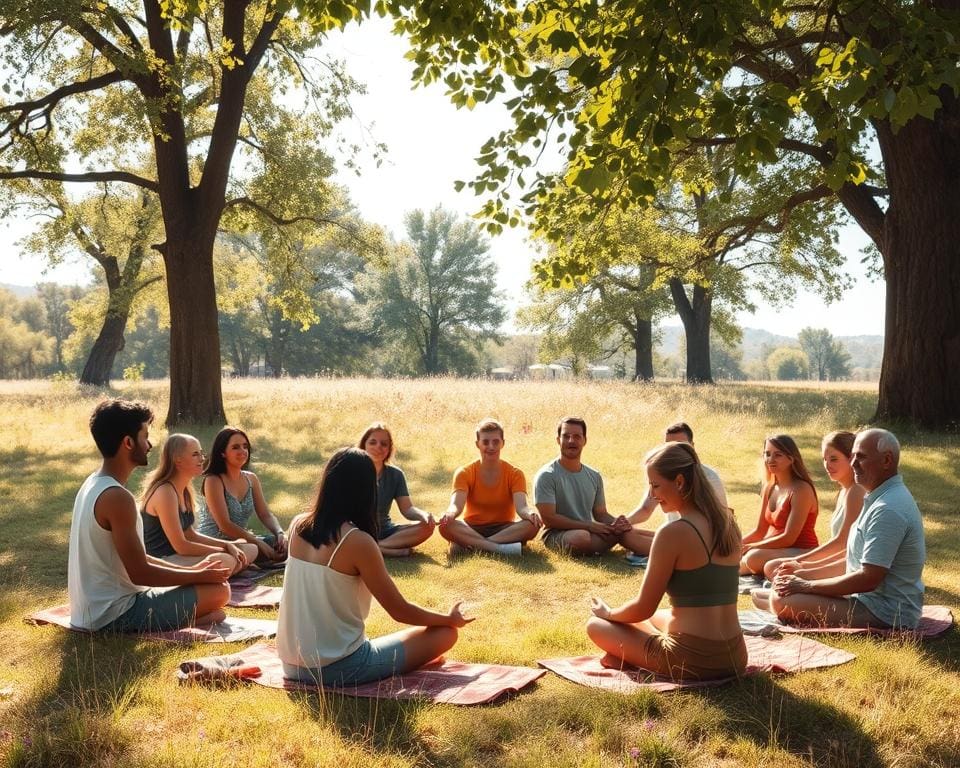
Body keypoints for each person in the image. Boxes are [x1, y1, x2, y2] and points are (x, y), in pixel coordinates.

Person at [278, 448, 472, 685]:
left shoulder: (297, 524)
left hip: (290, 665)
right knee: (445, 634)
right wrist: (449, 619)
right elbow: (399, 610)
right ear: (367, 490)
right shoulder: (357, 541)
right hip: (338, 668)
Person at [586, 442, 747, 681]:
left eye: (656, 485)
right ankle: (631, 650)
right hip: (735, 657)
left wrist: (608, 613)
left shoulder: (673, 533)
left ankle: (627, 653)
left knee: (595, 625)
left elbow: (643, 607)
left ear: (680, 482)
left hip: (691, 662)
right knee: (658, 617)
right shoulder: (729, 523)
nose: (652, 494)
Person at [68, 399, 231, 632]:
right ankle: (183, 619)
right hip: (114, 615)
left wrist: (197, 572)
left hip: (92, 612)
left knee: (213, 593)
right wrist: (198, 576)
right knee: (220, 591)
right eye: (145, 436)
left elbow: (139, 559)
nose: (150, 444)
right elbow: (140, 572)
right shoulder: (116, 497)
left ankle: (190, 617)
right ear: (127, 442)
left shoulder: (92, 484)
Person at [769, 429, 925, 629]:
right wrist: (803, 574)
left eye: (861, 457)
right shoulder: (878, 497)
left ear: (886, 461)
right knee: (781, 593)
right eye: (852, 456)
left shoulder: (888, 509)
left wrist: (806, 585)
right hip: (871, 601)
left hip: (886, 612)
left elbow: (868, 579)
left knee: (781, 602)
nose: (853, 464)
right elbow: (855, 562)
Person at [140, 434, 258, 575]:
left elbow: (191, 535)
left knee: (251, 548)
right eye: (195, 454)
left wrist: (228, 545)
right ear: (178, 460)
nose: (202, 459)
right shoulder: (165, 492)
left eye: (201, 453)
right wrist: (225, 549)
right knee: (223, 559)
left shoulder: (184, 490)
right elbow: (181, 546)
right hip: (166, 561)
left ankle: (227, 569)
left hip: (183, 557)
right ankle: (224, 570)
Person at [534, 416, 650, 555]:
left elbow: (601, 514)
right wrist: (588, 525)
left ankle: (666, 550)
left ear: (584, 441)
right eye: (566, 436)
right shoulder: (547, 475)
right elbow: (549, 519)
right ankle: (595, 548)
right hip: (559, 535)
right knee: (581, 537)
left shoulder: (594, 476)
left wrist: (616, 523)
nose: (571, 441)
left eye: (577, 436)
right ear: (558, 440)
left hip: (589, 532)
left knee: (624, 531)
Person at [761, 431, 865, 583]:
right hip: (837, 559)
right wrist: (803, 563)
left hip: (848, 565)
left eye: (834, 459)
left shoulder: (856, 491)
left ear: (851, 458)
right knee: (772, 569)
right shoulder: (844, 491)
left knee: (775, 573)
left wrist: (801, 562)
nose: (827, 465)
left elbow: (843, 542)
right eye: (825, 459)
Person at [438, 418, 541, 555]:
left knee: (532, 524)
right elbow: (456, 505)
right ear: (477, 444)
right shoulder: (464, 472)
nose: (491, 447)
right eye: (485, 442)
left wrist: (530, 513)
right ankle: (499, 548)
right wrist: (449, 514)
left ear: (502, 444)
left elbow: (522, 507)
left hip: (504, 528)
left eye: (496, 442)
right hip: (472, 527)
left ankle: (473, 545)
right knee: (445, 526)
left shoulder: (515, 474)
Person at [625, 422, 730, 557]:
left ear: (692, 447)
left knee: (635, 537)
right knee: (627, 533)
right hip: (677, 534)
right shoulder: (662, 475)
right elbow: (646, 508)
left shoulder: (710, 477)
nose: (674, 452)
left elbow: (721, 519)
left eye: (679, 446)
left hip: (696, 540)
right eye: (668, 447)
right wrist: (624, 523)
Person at [196, 427, 287, 563]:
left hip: (242, 541)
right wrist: (257, 543)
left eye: (245, 446)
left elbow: (265, 514)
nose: (243, 451)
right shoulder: (213, 480)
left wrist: (280, 533)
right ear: (223, 453)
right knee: (256, 548)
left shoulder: (251, 479)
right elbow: (225, 526)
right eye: (235, 447)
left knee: (284, 544)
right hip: (216, 543)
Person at [740, 434, 819, 577]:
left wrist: (751, 547)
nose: (770, 460)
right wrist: (737, 545)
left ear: (791, 458)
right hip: (771, 550)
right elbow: (760, 530)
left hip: (801, 550)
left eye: (778, 455)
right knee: (733, 558)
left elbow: (789, 538)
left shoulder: (801, 489)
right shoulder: (769, 487)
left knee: (752, 558)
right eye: (767, 454)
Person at [358, 423, 435, 557]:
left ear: (389, 449)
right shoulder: (350, 471)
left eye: (384, 444)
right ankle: (383, 549)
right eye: (372, 442)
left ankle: (377, 547)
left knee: (426, 528)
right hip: (355, 531)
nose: (378, 447)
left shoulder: (396, 474)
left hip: (385, 531)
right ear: (364, 445)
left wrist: (424, 516)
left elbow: (407, 509)